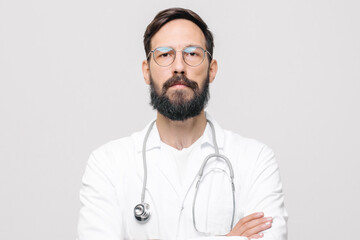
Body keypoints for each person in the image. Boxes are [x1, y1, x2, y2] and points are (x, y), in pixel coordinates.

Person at [77, 7, 288, 240]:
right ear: (147, 71)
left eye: (192, 53)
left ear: (212, 69)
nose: (179, 66)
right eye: (165, 54)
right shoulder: (108, 164)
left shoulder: (255, 159)